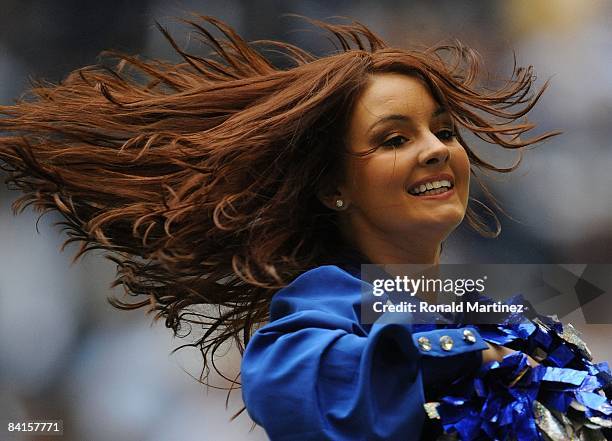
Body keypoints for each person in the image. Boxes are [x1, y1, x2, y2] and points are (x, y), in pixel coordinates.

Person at [0, 15, 610, 440]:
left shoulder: (468, 296)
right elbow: (295, 385)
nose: (435, 150)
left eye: (444, 131)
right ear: (333, 188)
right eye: (395, 138)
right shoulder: (320, 308)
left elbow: (580, 291)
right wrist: (462, 357)